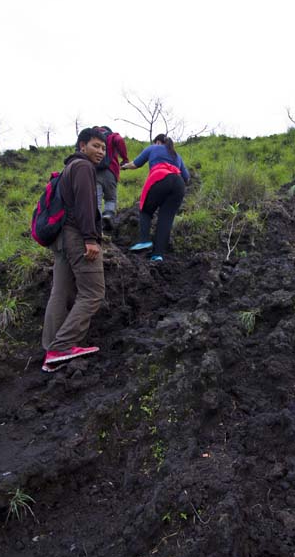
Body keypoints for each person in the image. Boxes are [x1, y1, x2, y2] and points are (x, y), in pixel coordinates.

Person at [41, 128, 106, 372]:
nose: (100, 151)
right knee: (93, 293)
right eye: (96, 146)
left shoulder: (69, 168)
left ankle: (51, 350)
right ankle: (63, 345)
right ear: (82, 146)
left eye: (103, 148)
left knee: (61, 291)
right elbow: (85, 204)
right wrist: (90, 238)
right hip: (77, 235)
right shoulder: (83, 167)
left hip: (61, 238)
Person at [122, 134, 190, 262]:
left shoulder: (153, 148)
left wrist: (124, 166)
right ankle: (157, 255)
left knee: (146, 210)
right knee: (166, 220)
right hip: (179, 184)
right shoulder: (177, 155)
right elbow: (187, 177)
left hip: (160, 177)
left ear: (158, 142)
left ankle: (144, 240)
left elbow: (136, 164)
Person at [93, 125, 129, 229]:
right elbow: (119, 140)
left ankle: (97, 225)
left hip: (95, 172)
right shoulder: (112, 136)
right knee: (111, 198)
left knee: (97, 201)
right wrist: (125, 158)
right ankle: (108, 215)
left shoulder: (93, 137)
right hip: (111, 171)